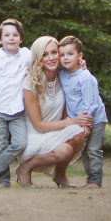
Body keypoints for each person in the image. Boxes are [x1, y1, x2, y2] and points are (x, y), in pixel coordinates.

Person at [15, 36, 93, 187]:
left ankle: (60, 174)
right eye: (45, 54)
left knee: (80, 132)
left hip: (55, 131)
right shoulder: (30, 83)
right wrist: (72, 121)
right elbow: (38, 125)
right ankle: (25, 168)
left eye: (54, 52)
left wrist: (80, 63)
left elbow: (67, 112)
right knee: (64, 151)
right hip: (34, 135)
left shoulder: (64, 76)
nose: (51, 58)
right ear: (38, 58)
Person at [0, 18, 31, 188]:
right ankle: (3, 182)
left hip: (18, 111)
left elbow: (45, 58)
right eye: (7, 35)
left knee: (20, 143)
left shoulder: (27, 55)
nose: (11, 38)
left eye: (15, 35)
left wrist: (80, 63)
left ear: (21, 38)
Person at [57, 35, 109, 189]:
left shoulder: (86, 78)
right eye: (62, 55)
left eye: (70, 54)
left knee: (93, 150)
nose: (66, 58)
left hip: (95, 119)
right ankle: (90, 179)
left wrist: (86, 124)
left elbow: (90, 104)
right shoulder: (62, 73)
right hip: (78, 119)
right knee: (85, 151)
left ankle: (95, 181)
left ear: (80, 56)